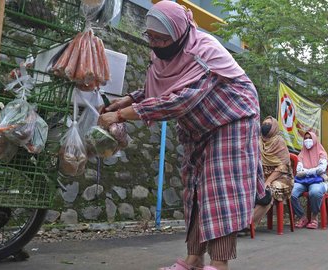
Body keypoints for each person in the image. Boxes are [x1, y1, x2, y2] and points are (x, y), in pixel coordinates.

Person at [98, 2, 265, 269]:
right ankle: (194, 258)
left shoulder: (204, 52)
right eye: (150, 37)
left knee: (218, 188)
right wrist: (126, 100)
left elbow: (179, 101)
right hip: (199, 126)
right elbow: (160, 90)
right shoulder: (163, 56)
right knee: (194, 189)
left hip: (233, 119)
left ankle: (219, 263)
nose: (154, 44)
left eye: (161, 39)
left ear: (178, 34)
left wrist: (121, 116)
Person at [253, 116, 293, 224]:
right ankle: (244, 222)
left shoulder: (280, 142)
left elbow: (282, 167)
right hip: (262, 177)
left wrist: (267, 182)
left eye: (268, 124)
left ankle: (249, 224)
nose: (265, 126)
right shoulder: (258, 141)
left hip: (282, 178)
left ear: (274, 127)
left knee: (268, 193)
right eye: (264, 124)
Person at [291, 131, 328, 229]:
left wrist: (306, 171)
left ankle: (314, 217)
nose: (308, 140)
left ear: (315, 140)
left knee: (315, 192)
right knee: (290, 192)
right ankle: (302, 217)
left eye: (310, 138)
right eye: (305, 138)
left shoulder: (322, 153)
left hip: (318, 181)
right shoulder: (301, 154)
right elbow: (298, 171)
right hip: (302, 181)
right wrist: (313, 171)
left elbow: (322, 169)